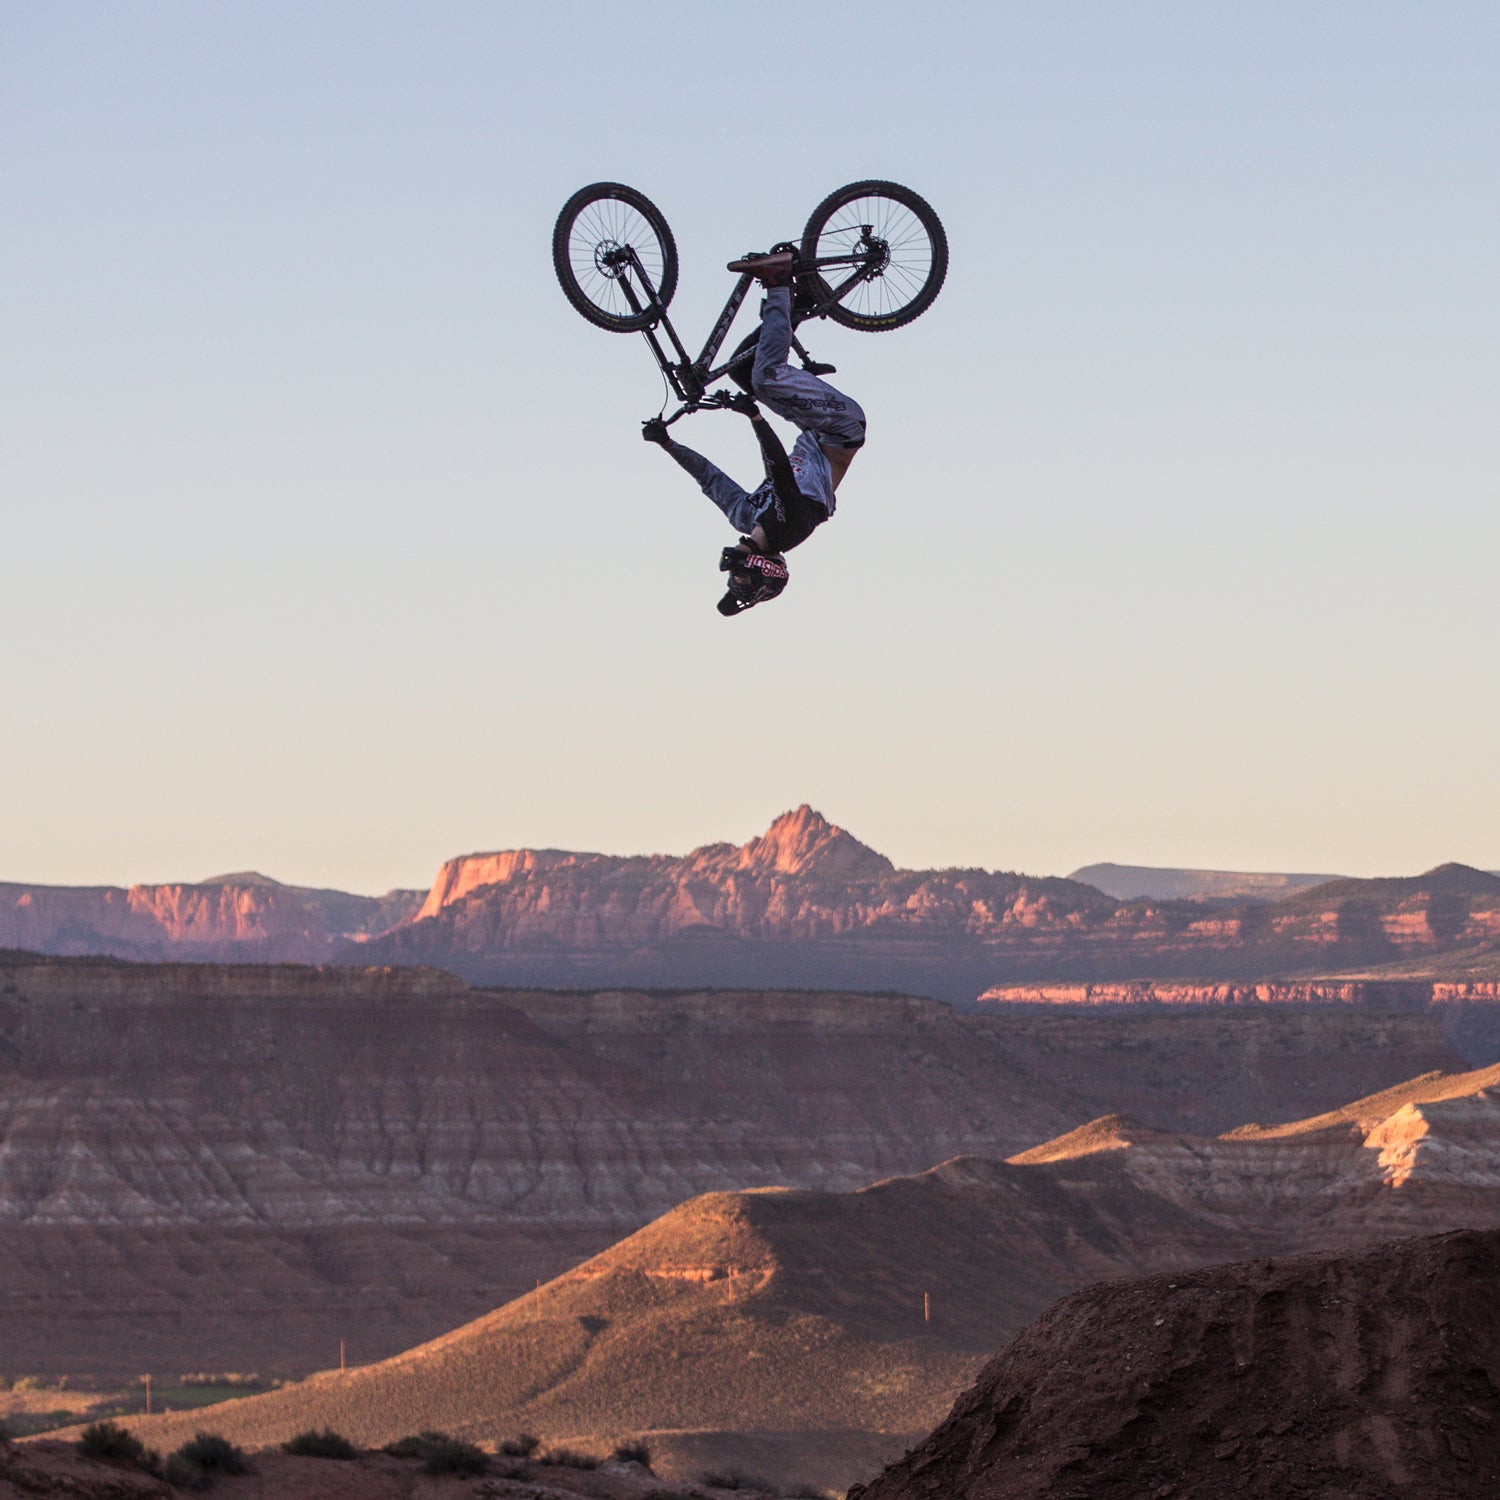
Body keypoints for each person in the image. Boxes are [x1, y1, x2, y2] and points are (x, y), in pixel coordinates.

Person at [642, 252, 866, 615]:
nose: (732, 573)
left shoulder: (746, 516)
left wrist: (668, 444)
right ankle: (778, 281)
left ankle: (801, 300)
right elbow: (778, 471)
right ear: (763, 570)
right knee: (765, 377)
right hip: (840, 428)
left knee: (743, 370)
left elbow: (710, 479)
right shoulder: (791, 528)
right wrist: (755, 417)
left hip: (812, 427)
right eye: (741, 580)